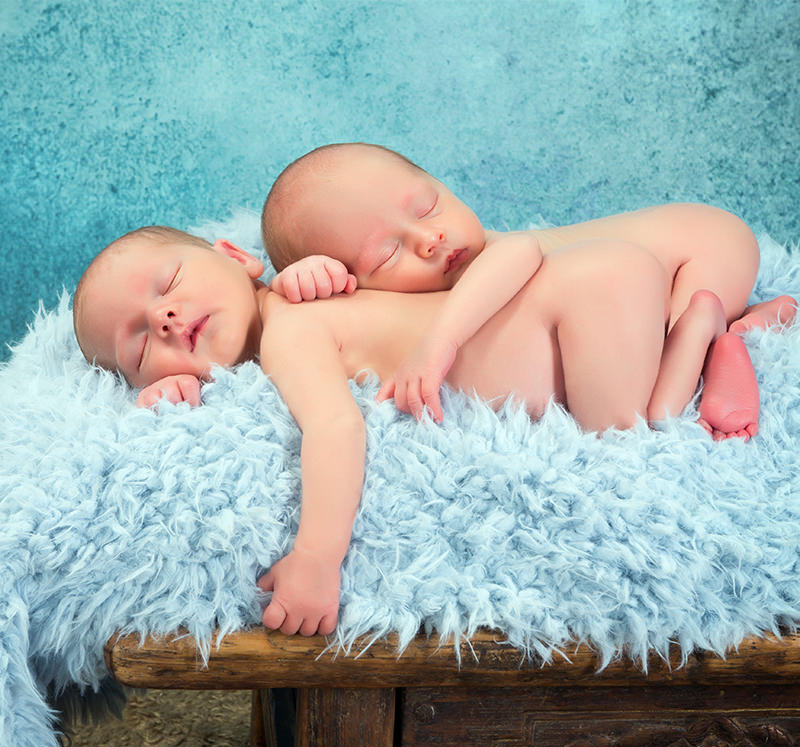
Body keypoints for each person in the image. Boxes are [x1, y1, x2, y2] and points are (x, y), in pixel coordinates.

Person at [74, 225, 713, 636]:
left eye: (168, 285)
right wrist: (178, 390)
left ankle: (704, 331)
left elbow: (336, 429)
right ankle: (707, 331)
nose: (162, 316)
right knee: (638, 415)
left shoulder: (293, 331)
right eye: (138, 346)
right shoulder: (294, 316)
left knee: (633, 437)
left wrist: (317, 560)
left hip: (581, 302)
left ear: (239, 258)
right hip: (591, 286)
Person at [261, 142, 796, 439]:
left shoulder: (493, 254)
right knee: (642, 337)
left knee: (656, 400)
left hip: (703, 250)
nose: (431, 239)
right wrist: (305, 280)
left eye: (427, 207)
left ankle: (713, 327)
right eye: (387, 254)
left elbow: (518, 254)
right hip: (652, 276)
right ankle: (731, 321)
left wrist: (439, 342)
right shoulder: (380, 300)